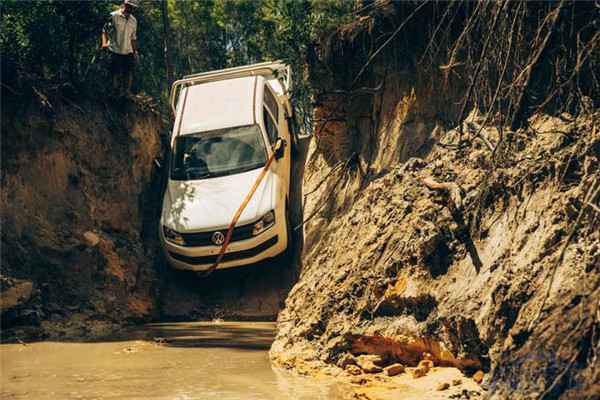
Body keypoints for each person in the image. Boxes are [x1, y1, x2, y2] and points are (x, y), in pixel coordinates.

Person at [101, 0, 139, 96]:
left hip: (128, 51)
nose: (130, 9)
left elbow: (133, 38)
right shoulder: (113, 16)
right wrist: (104, 43)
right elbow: (104, 30)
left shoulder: (133, 21)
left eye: (132, 7)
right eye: (129, 6)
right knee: (115, 73)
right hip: (115, 49)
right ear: (125, 4)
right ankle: (113, 93)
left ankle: (126, 94)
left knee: (128, 73)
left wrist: (135, 52)